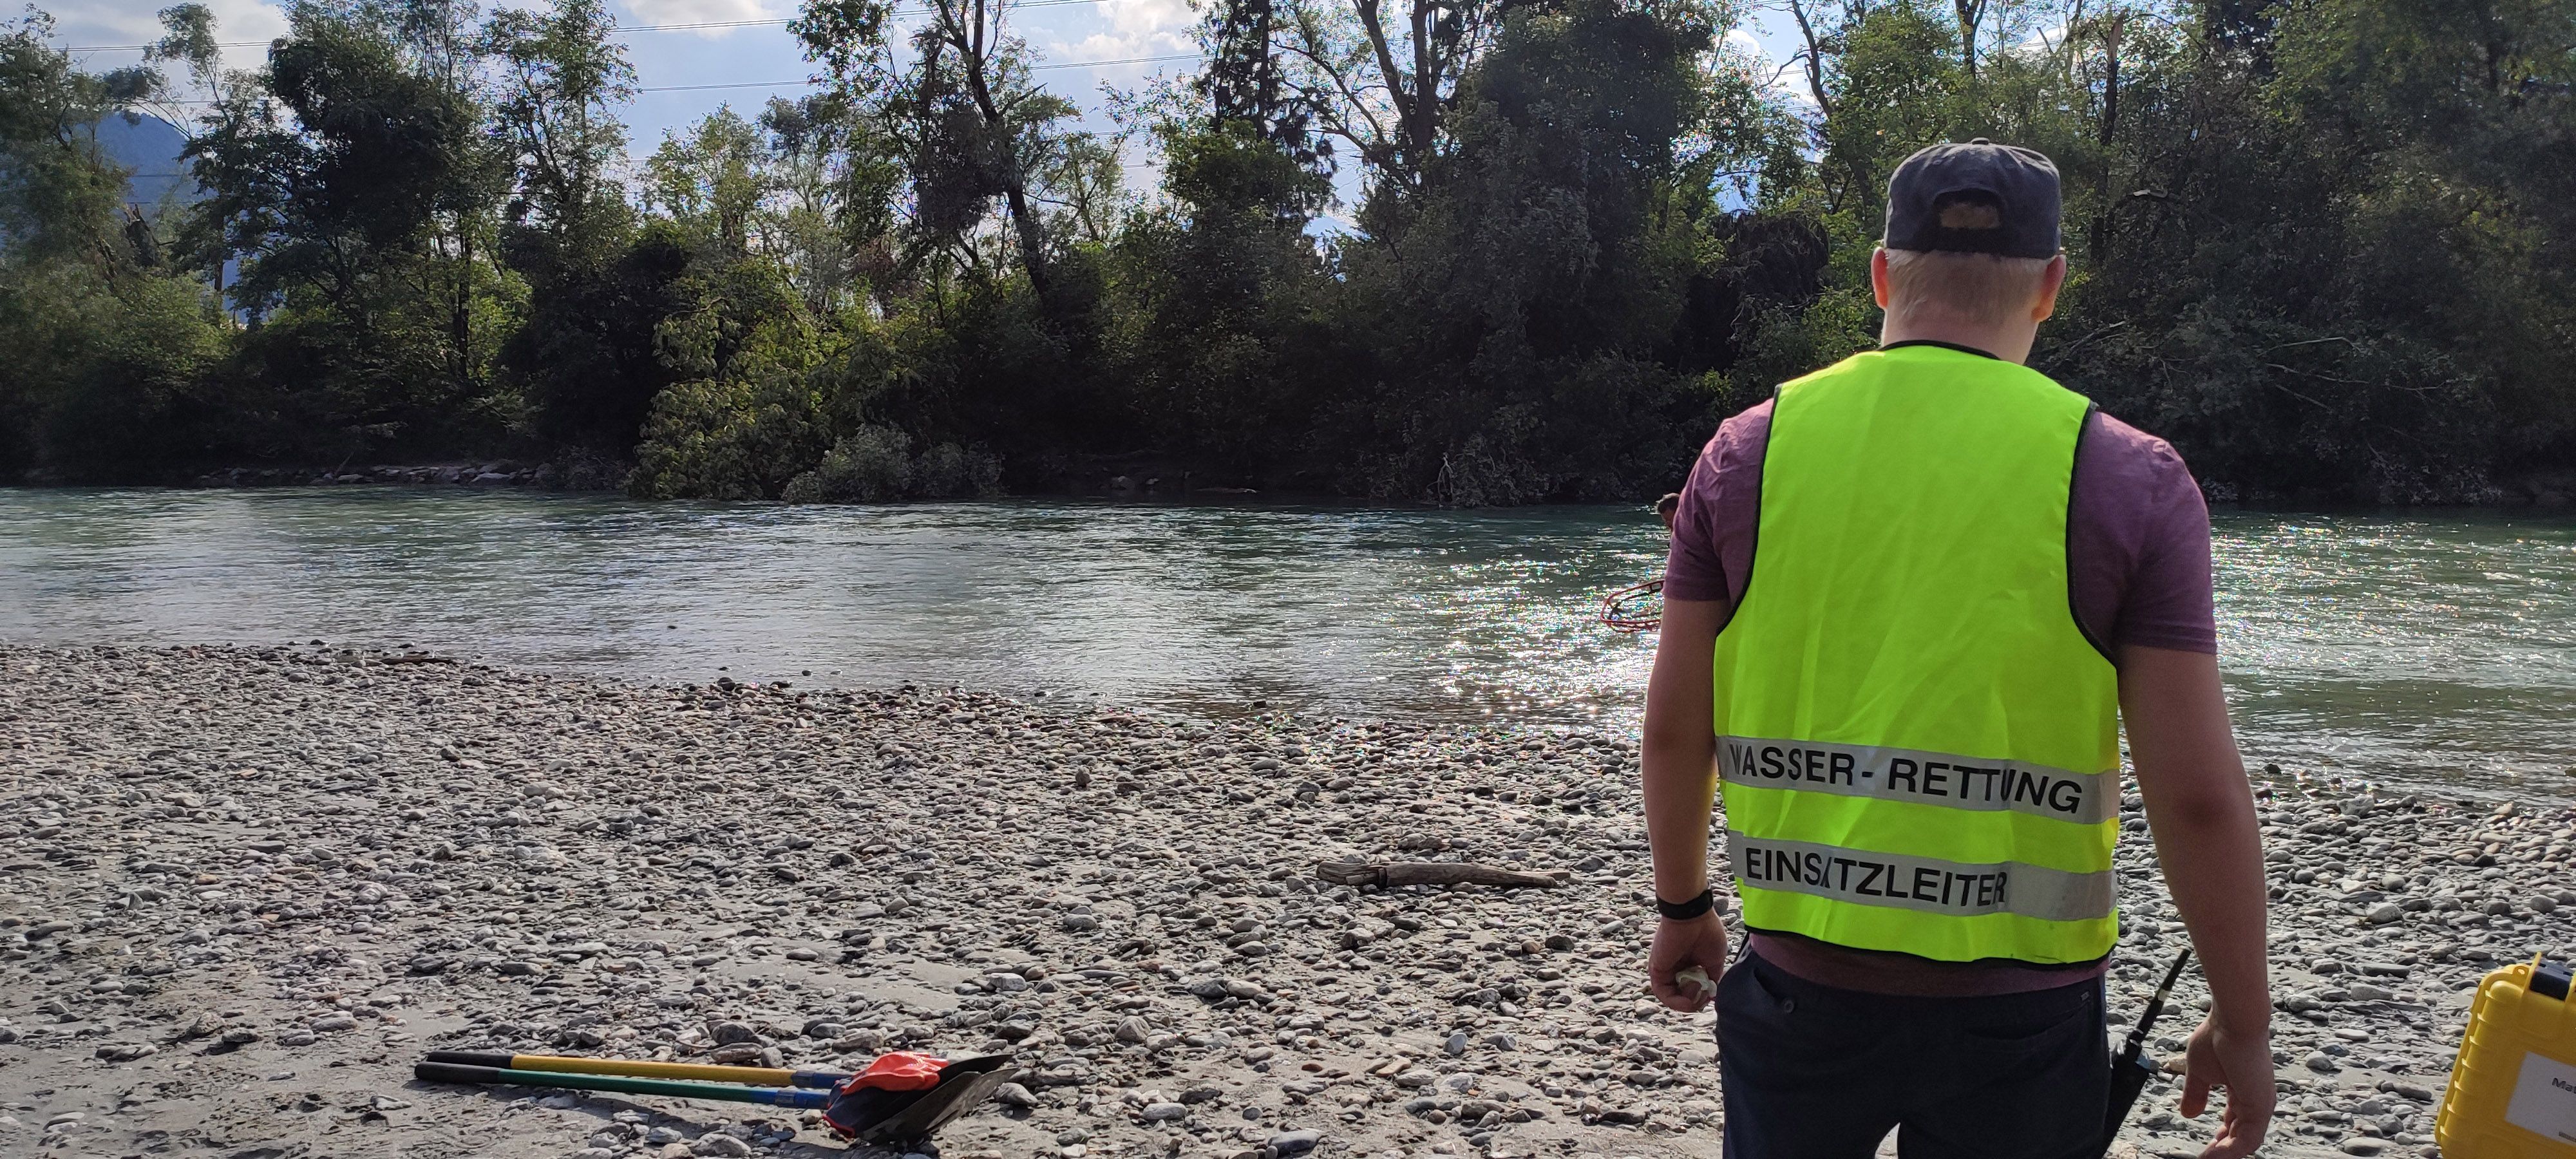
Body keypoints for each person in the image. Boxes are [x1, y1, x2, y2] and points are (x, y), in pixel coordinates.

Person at [1638, 140, 2275, 1159]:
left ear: (1882, 273)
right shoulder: (2130, 478)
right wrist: (2243, 1021)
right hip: (2025, 1017)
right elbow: (2195, 794)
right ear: (2052, 288)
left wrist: (1683, 904)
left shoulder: (1746, 451)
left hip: (1801, 985)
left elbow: (1676, 727)